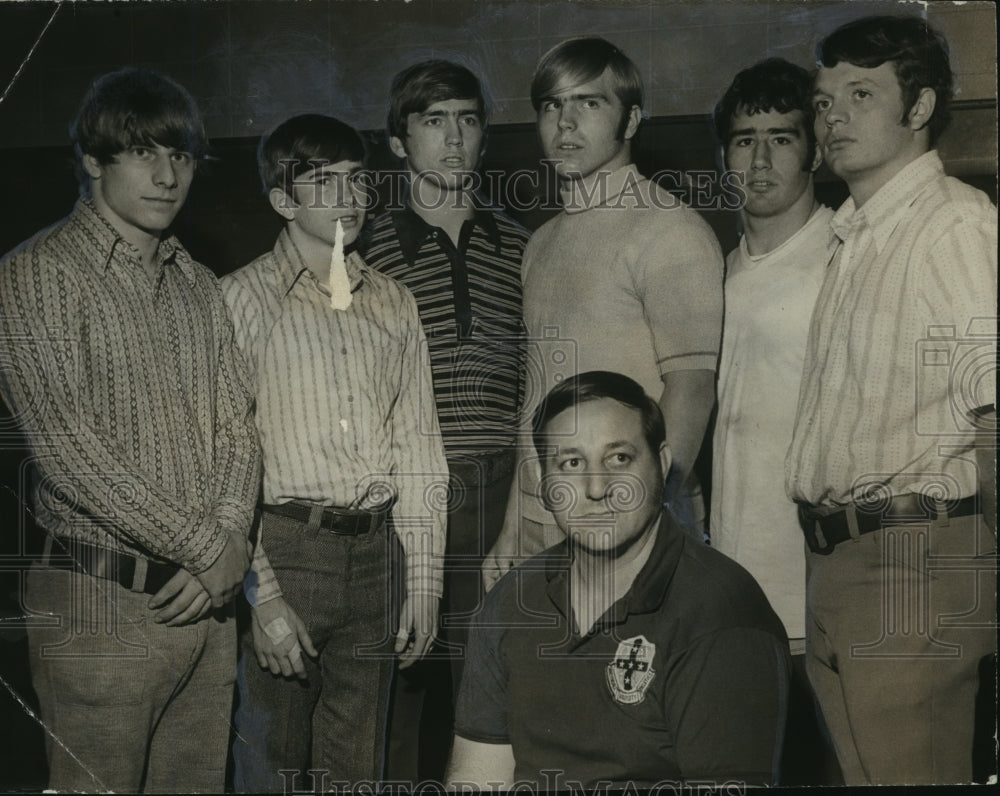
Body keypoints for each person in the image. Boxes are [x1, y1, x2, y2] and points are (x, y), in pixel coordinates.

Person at [0, 67, 260, 792]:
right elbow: (66, 449)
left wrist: (230, 541)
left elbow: (237, 428)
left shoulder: (198, 284)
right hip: (98, 606)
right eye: (142, 152)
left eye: (179, 155)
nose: (166, 174)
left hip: (204, 606)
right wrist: (210, 547)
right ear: (92, 160)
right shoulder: (38, 275)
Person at [786, 15, 997, 785]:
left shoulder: (952, 226)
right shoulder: (856, 236)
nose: (832, 116)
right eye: (822, 99)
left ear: (919, 108)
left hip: (917, 561)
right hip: (839, 560)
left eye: (861, 93)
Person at [221, 114, 448, 791]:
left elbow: (418, 443)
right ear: (283, 201)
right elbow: (223, 459)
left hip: (378, 556)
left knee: (358, 770)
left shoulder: (394, 303)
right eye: (324, 182)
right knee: (272, 764)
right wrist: (260, 599)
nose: (349, 197)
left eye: (356, 179)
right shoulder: (238, 299)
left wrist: (426, 581)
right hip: (286, 550)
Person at [447, 371, 790, 789]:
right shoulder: (511, 601)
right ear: (541, 481)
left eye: (619, 459)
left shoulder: (721, 613)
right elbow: (478, 779)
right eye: (572, 463)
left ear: (662, 464)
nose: (596, 487)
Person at [483, 36, 723, 587]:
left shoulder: (669, 229)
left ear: (631, 119)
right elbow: (537, 394)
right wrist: (516, 522)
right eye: (552, 105)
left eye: (589, 103)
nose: (565, 123)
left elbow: (690, 387)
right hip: (551, 519)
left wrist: (640, 517)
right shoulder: (541, 243)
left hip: (631, 520)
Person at [363, 60, 529, 780]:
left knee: (492, 685)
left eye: (467, 120)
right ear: (399, 143)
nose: (453, 139)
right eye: (433, 122)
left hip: (501, 491)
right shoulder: (364, 251)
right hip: (408, 498)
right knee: (395, 684)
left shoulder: (522, 245)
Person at [710, 58, 839, 785]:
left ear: (815, 149)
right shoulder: (717, 267)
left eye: (781, 139)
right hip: (734, 579)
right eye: (742, 139)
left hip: (818, 584)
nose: (759, 160)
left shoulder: (843, 256)